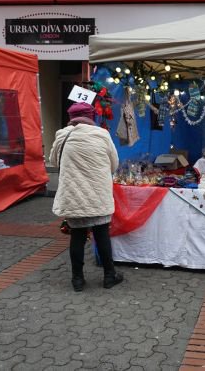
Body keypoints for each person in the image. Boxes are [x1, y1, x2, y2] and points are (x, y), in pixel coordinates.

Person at [49, 102, 123, 292]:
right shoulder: (102, 135)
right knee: (101, 234)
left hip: (74, 194)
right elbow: (114, 164)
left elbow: (54, 161)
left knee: (78, 236)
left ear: (71, 117)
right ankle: (109, 276)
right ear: (91, 117)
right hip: (98, 194)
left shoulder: (63, 135)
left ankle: (77, 280)